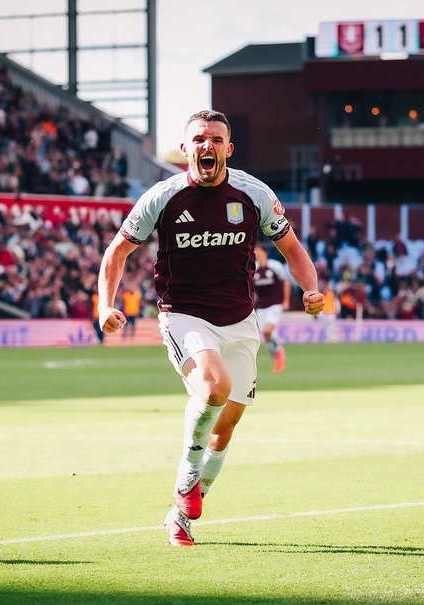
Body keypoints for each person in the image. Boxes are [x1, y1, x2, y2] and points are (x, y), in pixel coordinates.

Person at [97, 110, 324, 547]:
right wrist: (106, 304)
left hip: (240, 319)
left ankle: (180, 518)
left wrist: (311, 289)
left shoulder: (253, 193)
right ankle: (185, 477)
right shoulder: (162, 197)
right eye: (199, 139)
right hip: (184, 314)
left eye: (216, 139)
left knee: (226, 425)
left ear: (228, 149)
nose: (208, 146)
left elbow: (292, 248)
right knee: (214, 388)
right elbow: (116, 253)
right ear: (186, 150)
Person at [253, 244, 290, 372]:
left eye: (257, 250)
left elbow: (285, 282)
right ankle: (277, 358)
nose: (255, 253)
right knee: (265, 334)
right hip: (261, 306)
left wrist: (286, 300)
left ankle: (279, 351)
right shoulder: (254, 268)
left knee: (268, 331)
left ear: (264, 252)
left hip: (275, 304)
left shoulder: (275, 265)